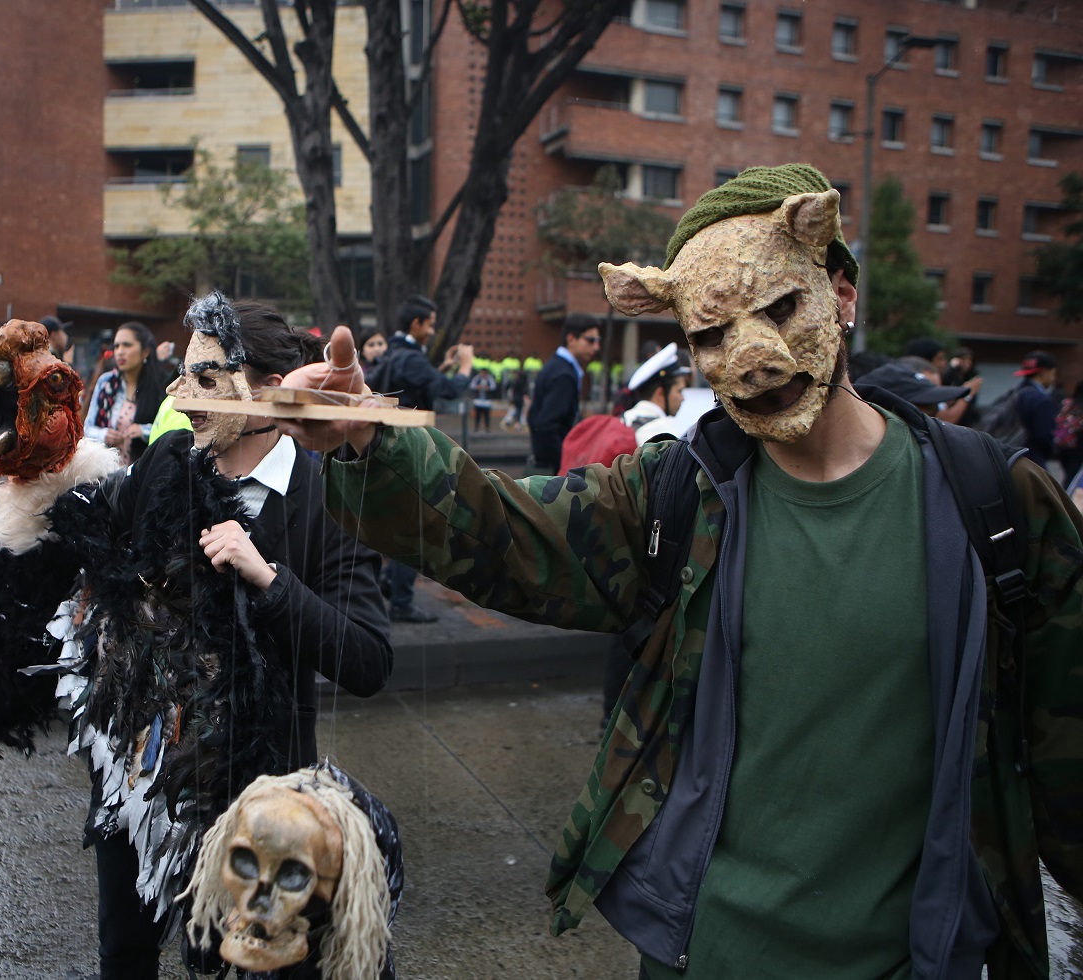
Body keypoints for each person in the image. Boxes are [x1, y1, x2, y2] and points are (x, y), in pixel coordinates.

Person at [275, 164, 1083, 978]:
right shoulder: (676, 502)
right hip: (705, 957)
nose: (752, 358)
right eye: (711, 334)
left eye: (779, 308)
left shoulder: (997, 507)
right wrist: (367, 440)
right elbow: (505, 531)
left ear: (841, 291)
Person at [84, 297, 392, 979]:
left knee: (231, 964)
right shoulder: (169, 460)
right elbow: (97, 557)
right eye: (182, 375)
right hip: (139, 776)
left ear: (268, 395)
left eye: (206, 377)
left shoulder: (330, 498)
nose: (181, 396)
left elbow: (368, 659)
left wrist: (269, 579)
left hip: (253, 803)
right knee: (124, 952)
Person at [376, 295, 474, 623]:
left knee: (395, 521)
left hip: (389, 449)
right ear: (416, 324)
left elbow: (419, 382)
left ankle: (388, 582)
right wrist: (464, 368)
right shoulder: (411, 359)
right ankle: (401, 600)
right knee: (415, 525)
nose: (432, 330)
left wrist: (440, 367)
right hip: (411, 452)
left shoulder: (395, 353)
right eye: (430, 324)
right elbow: (446, 390)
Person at [83, 321, 168, 466]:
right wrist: (104, 434)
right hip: (106, 472)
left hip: (143, 473)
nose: (120, 351)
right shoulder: (106, 383)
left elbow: (170, 432)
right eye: (116, 346)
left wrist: (144, 431)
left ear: (145, 351)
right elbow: (87, 428)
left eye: (127, 345)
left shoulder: (161, 387)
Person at [528, 313, 600, 473]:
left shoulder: (557, 366)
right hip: (551, 470)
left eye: (598, 341)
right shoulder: (564, 375)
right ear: (571, 338)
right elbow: (546, 425)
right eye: (591, 340)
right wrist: (566, 462)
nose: (596, 347)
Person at [621, 342, 692, 444]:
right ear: (660, 394)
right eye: (679, 391)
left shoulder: (624, 419)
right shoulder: (663, 431)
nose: (683, 398)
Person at [1014, 349, 1060, 468]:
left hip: (1011, 456)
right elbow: (1044, 436)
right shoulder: (1041, 400)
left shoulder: (1014, 393)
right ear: (1044, 372)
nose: (1053, 379)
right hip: (1033, 460)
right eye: (1053, 373)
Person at [1055, 379, 1083, 488]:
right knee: (1073, 477)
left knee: (1068, 475)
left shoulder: (1066, 403)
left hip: (1062, 446)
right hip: (1078, 448)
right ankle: (1066, 499)